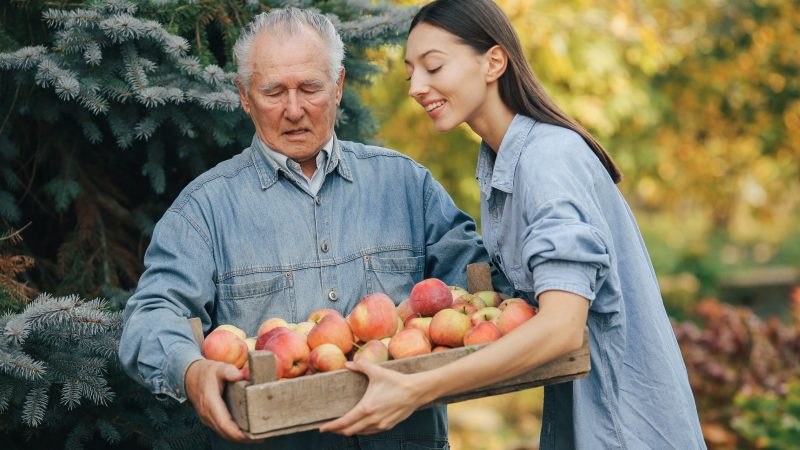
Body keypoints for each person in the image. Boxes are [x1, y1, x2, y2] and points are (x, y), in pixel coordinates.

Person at [320, 1, 707, 448]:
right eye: (412, 73)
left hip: (627, 429)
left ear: (494, 62)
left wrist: (418, 388)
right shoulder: (501, 164)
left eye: (433, 66)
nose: (416, 87)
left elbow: (561, 328)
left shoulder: (548, 159)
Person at [119, 7, 499, 450]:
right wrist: (190, 369)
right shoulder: (204, 211)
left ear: (337, 87)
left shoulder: (406, 186)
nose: (294, 110)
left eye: (311, 88)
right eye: (274, 91)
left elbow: (486, 289)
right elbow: (149, 316)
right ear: (244, 95)